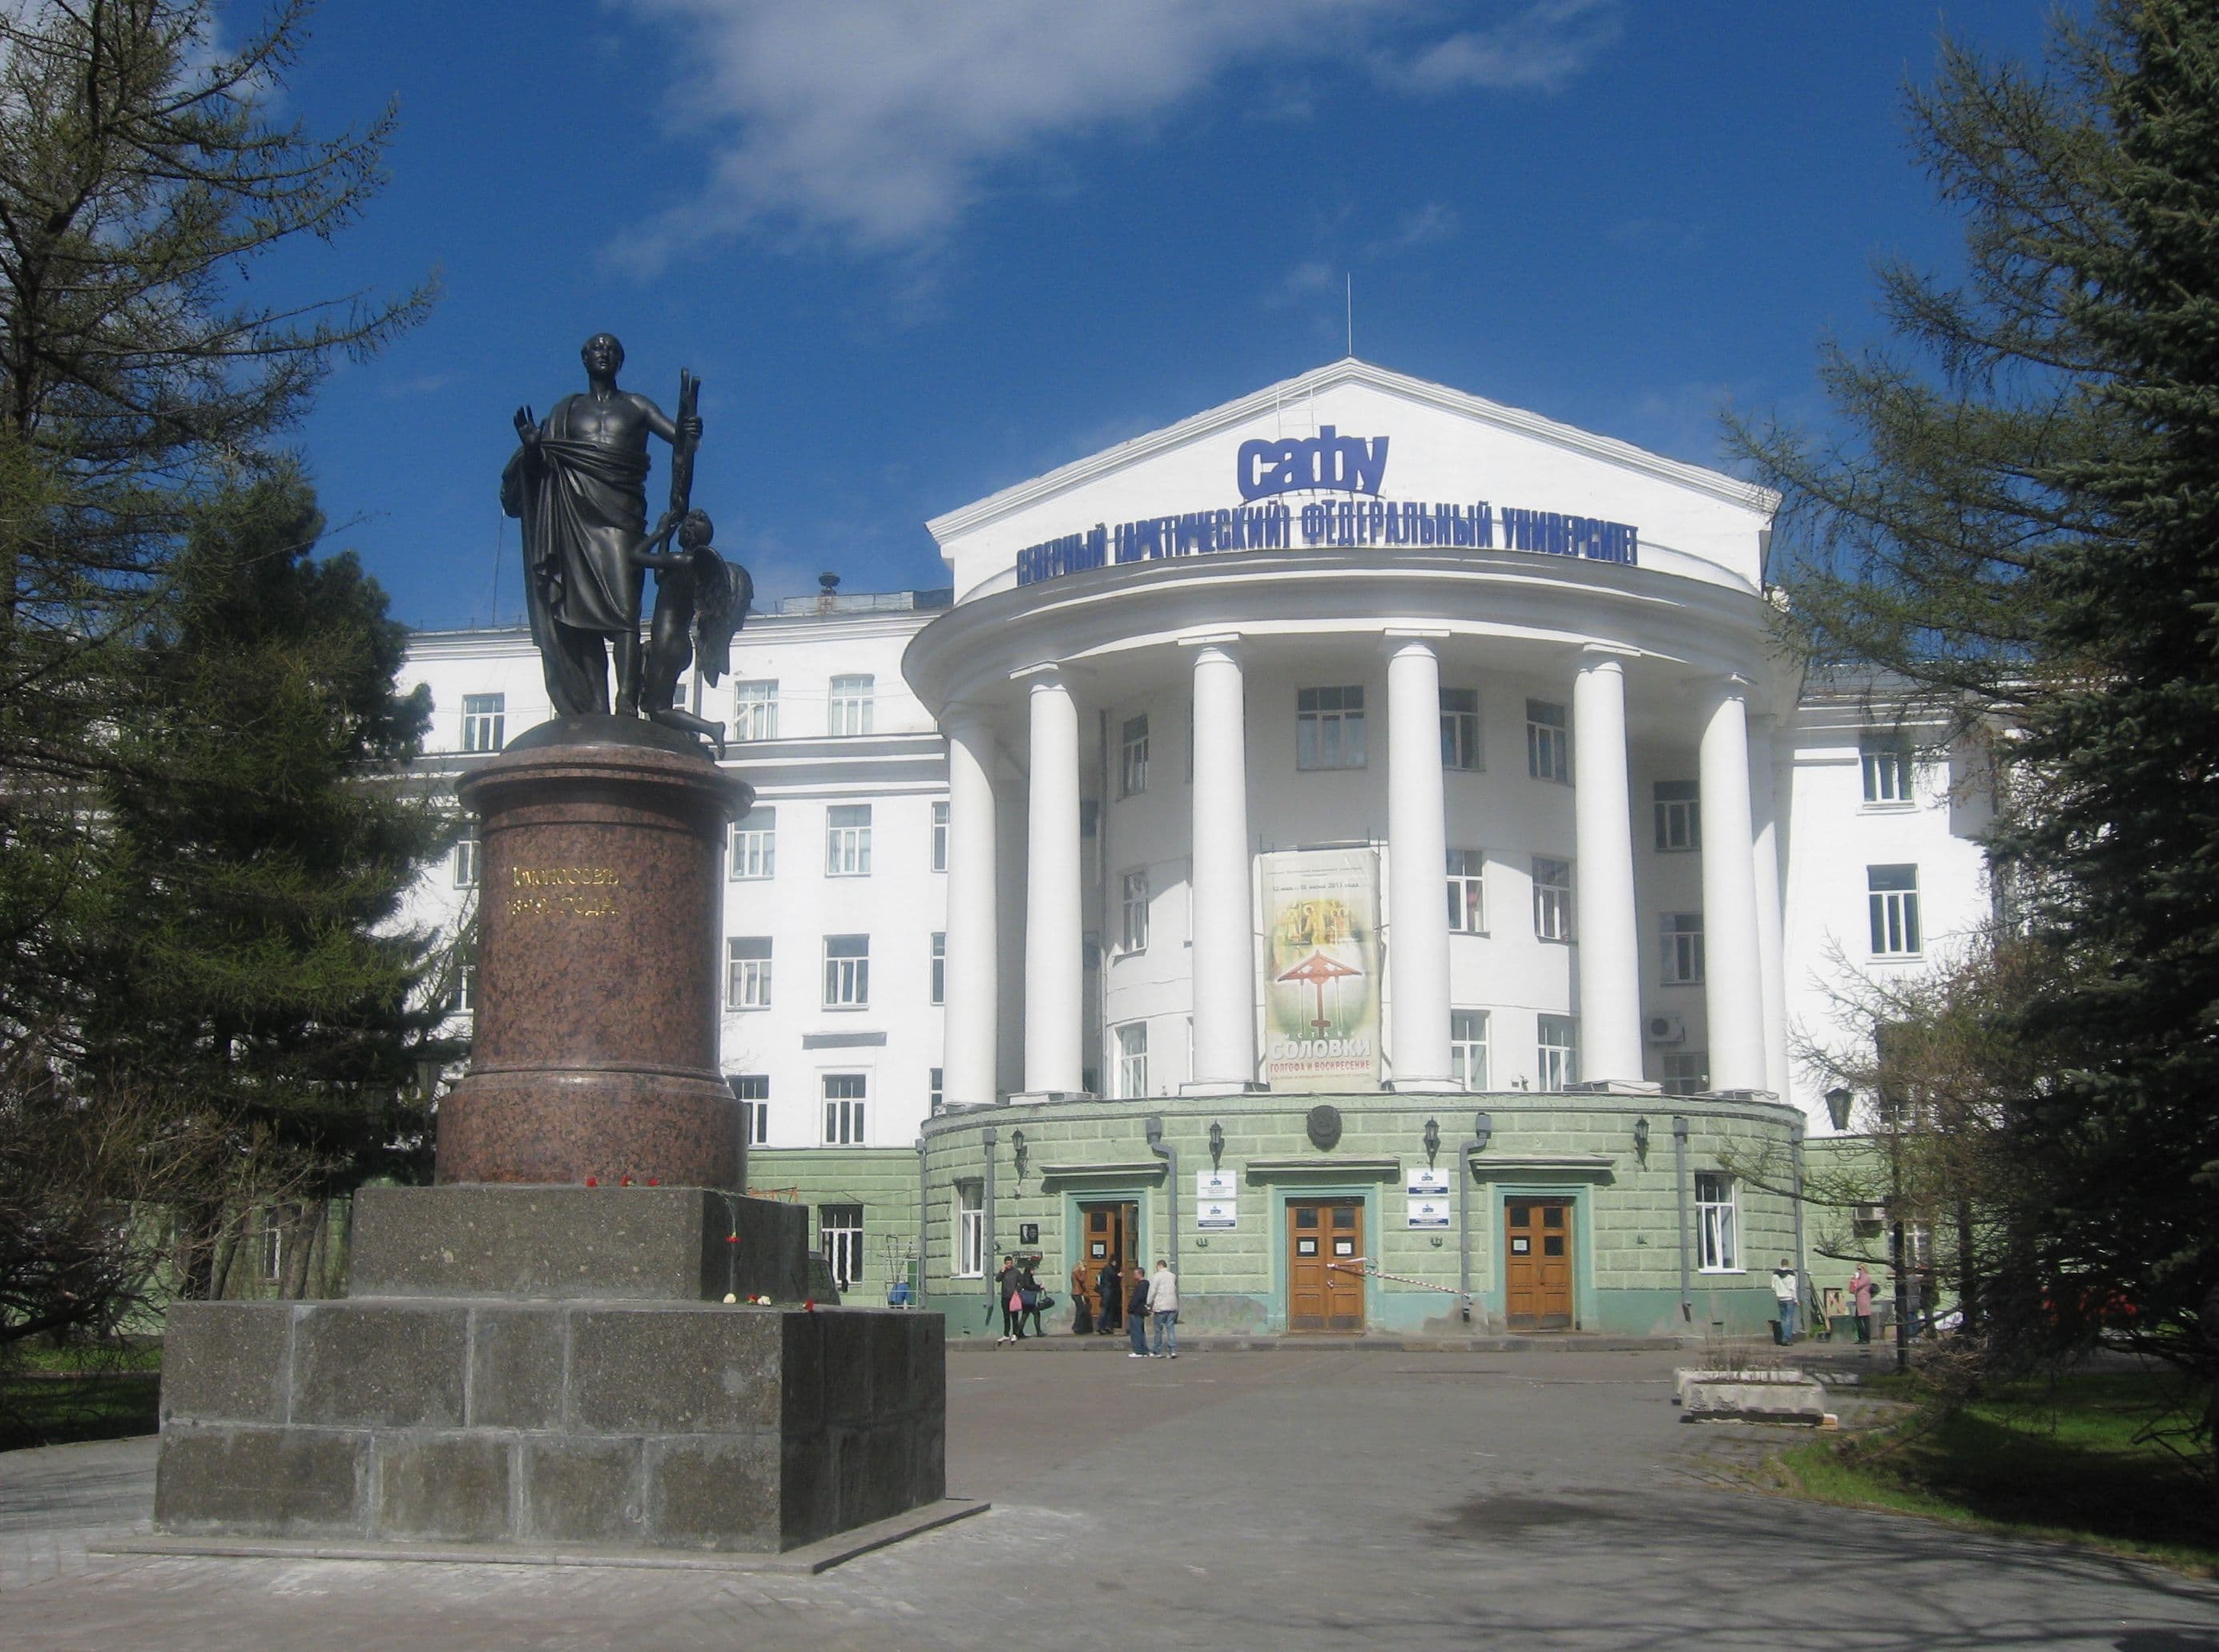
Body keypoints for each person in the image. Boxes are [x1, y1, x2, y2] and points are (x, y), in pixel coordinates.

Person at [501, 332, 701, 717]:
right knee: (580, 620)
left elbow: (679, 441)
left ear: (621, 360)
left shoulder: (637, 406)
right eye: (597, 348)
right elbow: (544, 468)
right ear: (584, 358)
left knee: (625, 612)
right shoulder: (567, 410)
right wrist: (532, 448)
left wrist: (689, 432)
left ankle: (626, 702)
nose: (604, 353)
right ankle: (595, 707)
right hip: (574, 521)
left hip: (621, 522)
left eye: (611, 349)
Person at [633, 506, 751, 752]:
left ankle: (711, 727)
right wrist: (665, 538)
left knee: (658, 709)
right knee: (657, 710)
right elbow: (659, 577)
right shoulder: (687, 565)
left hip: (667, 643)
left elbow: (636, 555)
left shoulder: (681, 560)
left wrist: (659, 532)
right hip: (678, 645)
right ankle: (683, 741)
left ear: (687, 533)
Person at [1148, 1257, 1180, 1359]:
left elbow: (1152, 1291)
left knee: (1158, 1330)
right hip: (1172, 1306)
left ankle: (1157, 1351)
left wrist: (1149, 1303)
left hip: (1161, 1306)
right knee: (1171, 1328)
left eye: (1157, 1267)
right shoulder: (1172, 1276)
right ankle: (1173, 1351)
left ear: (1159, 1266)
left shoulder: (1156, 1276)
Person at [996, 1255, 1025, 1344]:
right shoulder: (1003, 1272)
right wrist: (1002, 1271)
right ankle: (1006, 1334)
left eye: (1010, 1263)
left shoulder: (1016, 1272)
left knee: (1014, 1316)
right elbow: (997, 1279)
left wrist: (1017, 1290)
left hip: (1013, 1297)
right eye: (1007, 1263)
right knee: (1006, 1316)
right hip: (1005, 1297)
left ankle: (1015, 1334)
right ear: (1005, 1264)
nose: (1009, 1265)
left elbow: (1022, 1282)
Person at [1125, 1263, 1151, 1357]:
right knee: (1140, 1331)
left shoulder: (1141, 1285)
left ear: (1140, 1274)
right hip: (1141, 1310)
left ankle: (1138, 1351)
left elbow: (1137, 1298)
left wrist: (1130, 1308)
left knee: (1136, 1331)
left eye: (1135, 1274)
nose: (1134, 1276)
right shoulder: (1146, 1284)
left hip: (1136, 1310)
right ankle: (1144, 1350)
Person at [1771, 1258, 1799, 1345]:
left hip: (1780, 1299)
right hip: (1789, 1299)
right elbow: (1793, 1288)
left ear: (1781, 1264)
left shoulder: (1775, 1274)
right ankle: (1786, 1338)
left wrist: (1778, 1293)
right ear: (1788, 1264)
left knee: (1783, 1319)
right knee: (1789, 1318)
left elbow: (1773, 1287)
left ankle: (1783, 1337)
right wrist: (1796, 1300)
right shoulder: (1791, 1275)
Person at [1018, 1258, 1047, 1340]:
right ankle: (1039, 1332)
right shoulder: (1027, 1277)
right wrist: (1039, 1287)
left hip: (1027, 1300)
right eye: (1033, 1270)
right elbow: (1028, 1286)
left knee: (1025, 1315)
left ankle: (1019, 1332)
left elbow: (1030, 1285)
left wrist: (1038, 1287)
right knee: (1036, 1313)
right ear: (1030, 1270)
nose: (1034, 1272)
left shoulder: (1027, 1276)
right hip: (1029, 1299)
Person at [1847, 1263, 1876, 1344]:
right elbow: (1853, 1288)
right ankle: (1861, 1338)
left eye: (1860, 1269)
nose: (1858, 1271)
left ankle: (1866, 1338)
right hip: (1859, 1300)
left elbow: (1858, 1285)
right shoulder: (1860, 1277)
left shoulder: (1866, 1277)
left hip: (1864, 1299)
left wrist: (1855, 1278)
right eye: (1857, 1269)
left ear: (1864, 1269)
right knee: (1858, 1319)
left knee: (1864, 1319)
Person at [1069, 1256, 1095, 1336]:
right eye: (1084, 1266)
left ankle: (1077, 1326)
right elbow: (1082, 1280)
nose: (1085, 1268)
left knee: (1080, 1309)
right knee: (1081, 1310)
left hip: (1077, 1293)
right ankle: (1076, 1326)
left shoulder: (1075, 1272)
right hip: (1076, 1293)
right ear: (1080, 1266)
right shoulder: (1076, 1272)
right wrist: (1083, 1272)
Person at [1097, 1258, 1122, 1336]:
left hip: (1107, 1291)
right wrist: (1118, 1275)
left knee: (1109, 1309)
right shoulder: (1109, 1268)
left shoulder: (1106, 1268)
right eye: (1115, 1262)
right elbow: (1112, 1278)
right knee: (1106, 1309)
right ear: (1113, 1262)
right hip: (1108, 1291)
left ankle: (1107, 1327)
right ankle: (1102, 1327)